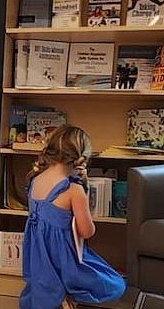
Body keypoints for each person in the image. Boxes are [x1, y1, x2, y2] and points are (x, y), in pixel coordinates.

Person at [18, 125, 126, 309]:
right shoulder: (73, 189)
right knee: (115, 284)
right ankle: (68, 296)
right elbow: (87, 231)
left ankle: (59, 297)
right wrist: (84, 185)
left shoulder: (35, 180)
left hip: (39, 258)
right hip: (65, 259)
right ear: (80, 158)